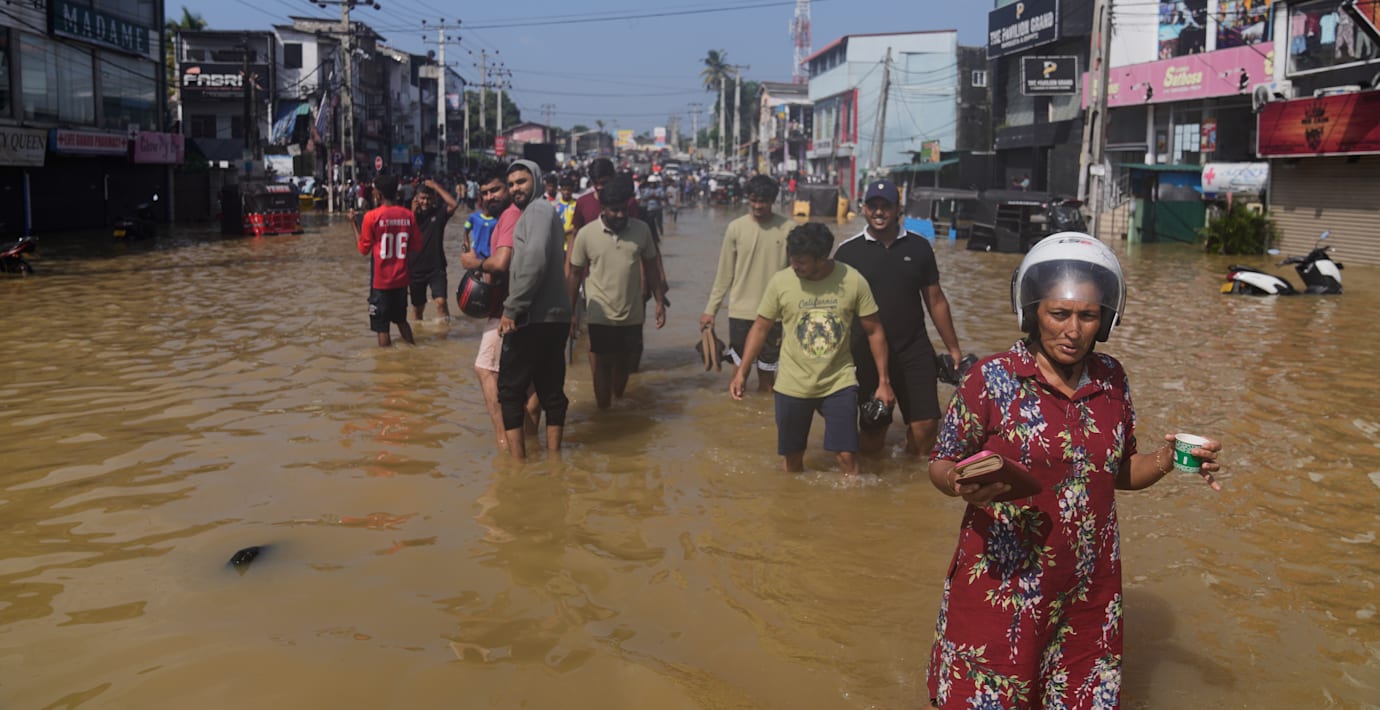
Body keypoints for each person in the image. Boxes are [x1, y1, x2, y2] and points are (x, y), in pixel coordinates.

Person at [922, 233, 1223, 710]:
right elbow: (941, 459)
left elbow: (1118, 471)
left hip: (1086, 587)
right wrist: (957, 482)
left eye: (1088, 316)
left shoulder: (1111, 379)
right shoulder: (993, 379)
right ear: (1032, 312)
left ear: (1105, 319)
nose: (1073, 330)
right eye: (1059, 314)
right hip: (1002, 583)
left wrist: (1169, 461)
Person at [730, 223, 894, 476]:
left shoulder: (852, 280)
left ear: (822, 258)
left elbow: (875, 331)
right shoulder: (780, 282)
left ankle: (853, 511)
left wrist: (884, 381)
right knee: (792, 461)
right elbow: (761, 327)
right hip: (791, 383)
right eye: (792, 260)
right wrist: (742, 371)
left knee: (847, 456)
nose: (795, 266)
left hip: (839, 381)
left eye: (802, 262)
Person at [835, 179, 964, 458]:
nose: (879, 212)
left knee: (927, 425)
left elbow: (936, 300)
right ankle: (877, 487)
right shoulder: (848, 252)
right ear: (864, 209)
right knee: (873, 429)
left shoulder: (919, 248)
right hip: (865, 352)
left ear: (898, 209)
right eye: (873, 206)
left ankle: (908, 473)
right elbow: (836, 308)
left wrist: (953, 348)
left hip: (913, 349)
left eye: (886, 206)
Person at [567, 176, 666, 409]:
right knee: (601, 363)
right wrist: (569, 312)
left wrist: (659, 301)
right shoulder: (586, 235)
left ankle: (617, 400)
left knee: (624, 364)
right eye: (615, 211)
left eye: (624, 210)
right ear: (603, 209)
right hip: (599, 311)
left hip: (632, 311)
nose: (621, 215)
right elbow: (574, 274)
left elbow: (652, 266)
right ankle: (604, 412)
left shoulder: (641, 230)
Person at [497, 160, 573, 460]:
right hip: (552, 317)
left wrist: (512, 308)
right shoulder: (542, 211)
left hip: (533, 318)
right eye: (512, 183)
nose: (516, 188)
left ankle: (518, 464)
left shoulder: (538, 211)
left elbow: (535, 260)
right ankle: (554, 462)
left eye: (522, 182)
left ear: (536, 180)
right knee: (550, 389)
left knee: (510, 392)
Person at [700, 175, 792, 391]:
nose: (758, 206)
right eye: (753, 200)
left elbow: (796, 275)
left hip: (774, 314)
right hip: (741, 312)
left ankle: (763, 420)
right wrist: (710, 310)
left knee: (768, 377)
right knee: (739, 372)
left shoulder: (789, 229)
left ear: (773, 200)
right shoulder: (735, 228)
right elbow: (724, 274)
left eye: (763, 201)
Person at [460, 170, 523, 452]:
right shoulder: (507, 217)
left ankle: (504, 439)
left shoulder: (509, 217)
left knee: (485, 368)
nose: (489, 197)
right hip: (514, 304)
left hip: (507, 307)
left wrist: (474, 263)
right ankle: (525, 440)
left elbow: (500, 263)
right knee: (524, 380)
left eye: (496, 190)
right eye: (485, 192)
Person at [355, 174, 420, 347]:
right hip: (401, 280)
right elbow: (416, 246)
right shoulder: (409, 216)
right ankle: (413, 350)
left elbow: (363, 249)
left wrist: (354, 225)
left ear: (379, 195)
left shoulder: (371, 217)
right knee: (401, 321)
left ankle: (386, 367)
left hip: (381, 283)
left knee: (382, 328)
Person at [408, 178, 459, 322]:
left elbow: (454, 204)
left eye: (428, 199)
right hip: (415, 269)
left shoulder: (439, 213)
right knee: (418, 309)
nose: (425, 202)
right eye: (422, 198)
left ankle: (445, 338)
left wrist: (436, 186)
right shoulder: (408, 217)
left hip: (436, 268)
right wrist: (412, 213)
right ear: (416, 198)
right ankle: (418, 335)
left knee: (441, 303)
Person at [554, 176, 578, 251]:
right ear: (560, 190)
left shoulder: (577, 204)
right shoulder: (554, 205)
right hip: (557, 244)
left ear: (572, 190)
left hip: (572, 244)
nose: (566, 192)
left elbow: (578, 224)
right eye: (564, 190)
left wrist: (567, 232)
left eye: (569, 190)